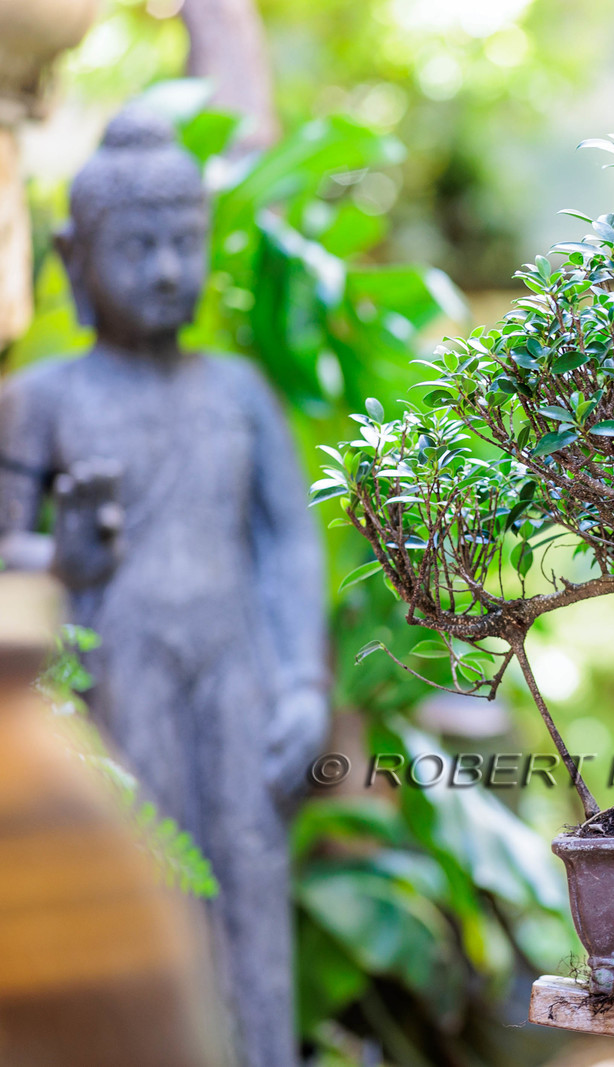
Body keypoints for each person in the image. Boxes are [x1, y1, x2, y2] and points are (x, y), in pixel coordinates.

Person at [0, 104, 326, 1067]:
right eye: (137, 247)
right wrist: (62, 564)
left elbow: (289, 542)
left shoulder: (237, 391)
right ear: (76, 253)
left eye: (184, 243)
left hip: (240, 670)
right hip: (116, 670)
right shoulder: (42, 401)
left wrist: (304, 682)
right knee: (144, 888)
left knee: (251, 886)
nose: (166, 270)